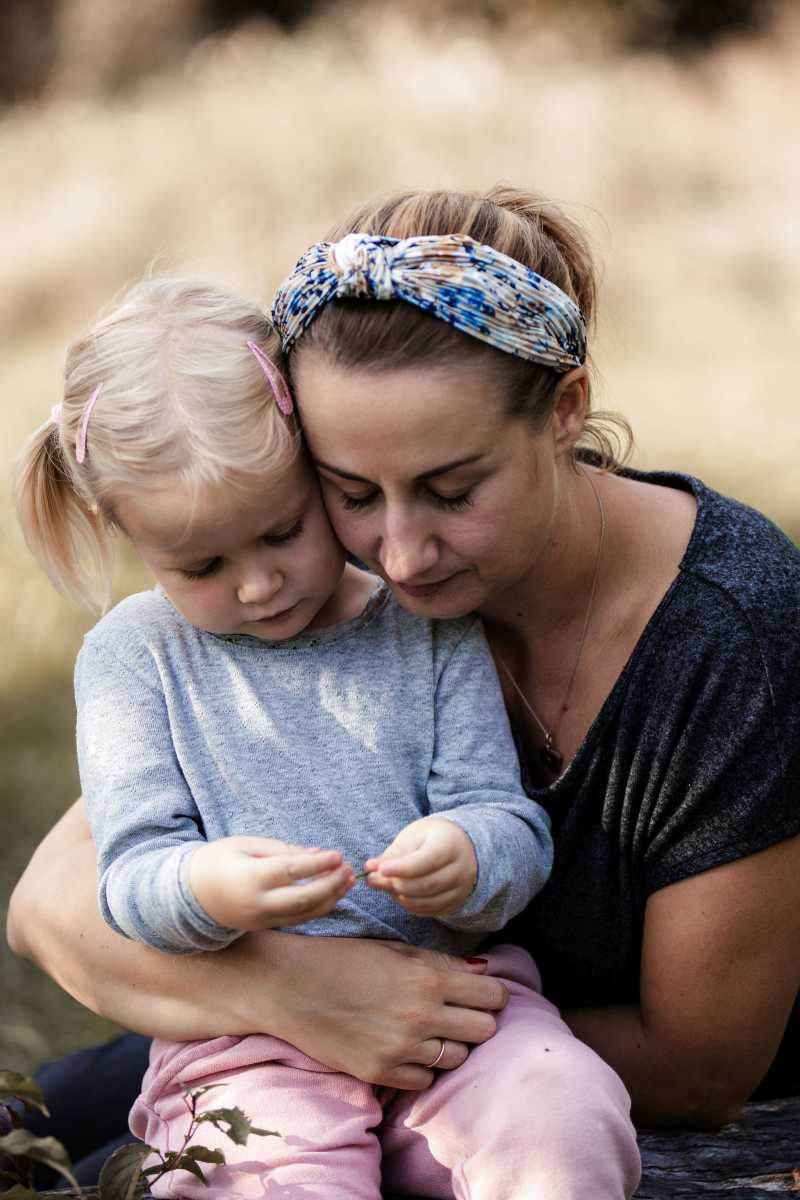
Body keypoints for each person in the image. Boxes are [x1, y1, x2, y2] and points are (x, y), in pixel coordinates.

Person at [7, 184, 800, 1174]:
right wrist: (297, 998)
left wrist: (382, 1031)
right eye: (346, 493)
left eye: (451, 491)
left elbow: (698, 1072)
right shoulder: (297, 607)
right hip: (292, 1037)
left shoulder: (727, 637)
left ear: (565, 410)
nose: (401, 553)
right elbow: (52, 901)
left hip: (553, 1078)